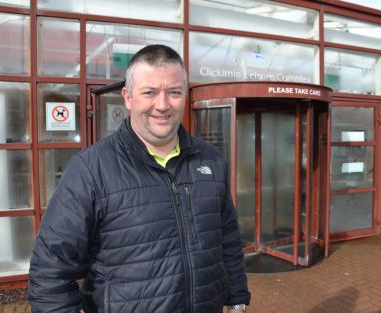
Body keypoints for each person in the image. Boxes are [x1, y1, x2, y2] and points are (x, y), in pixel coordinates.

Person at [28, 44, 251, 313]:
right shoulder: (90, 169)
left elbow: (227, 237)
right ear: (128, 97)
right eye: (149, 92)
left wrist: (238, 300)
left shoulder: (211, 160)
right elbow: (51, 271)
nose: (163, 105)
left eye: (174, 92)